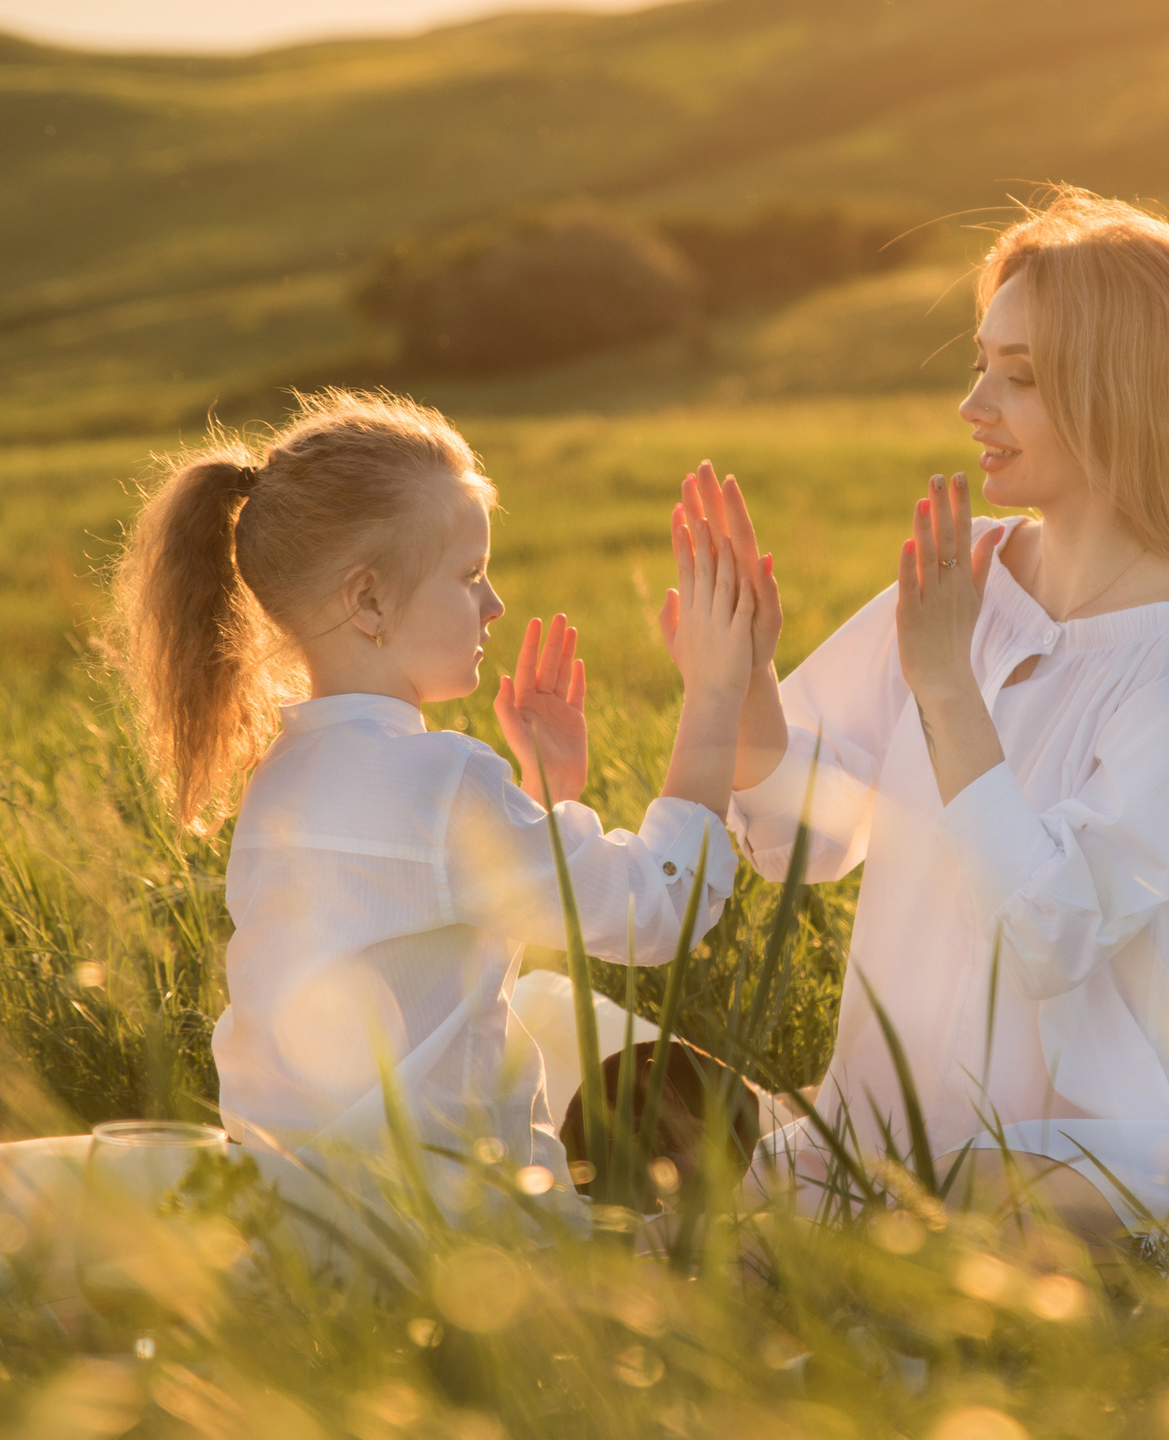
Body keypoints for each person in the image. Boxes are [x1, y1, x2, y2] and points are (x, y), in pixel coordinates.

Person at [696, 187, 1169, 1249]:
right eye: (980, 363)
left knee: (991, 1216)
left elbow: (1055, 931)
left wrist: (949, 691)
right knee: (755, 1231)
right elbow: (803, 838)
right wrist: (742, 680)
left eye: (1020, 376)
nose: (974, 404)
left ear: (1124, 393)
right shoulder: (972, 574)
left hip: (1127, 1135)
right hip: (908, 1122)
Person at [108, 388, 763, 1200]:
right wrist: (716, 695)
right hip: (453, 1236)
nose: (494, 605)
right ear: (369, 599)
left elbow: (436, 947)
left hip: (295, 1210)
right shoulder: (442, 782)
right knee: (720, 1185)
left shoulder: (280, 775)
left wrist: (545, 790)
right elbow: (655, 909)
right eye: (470, 575)